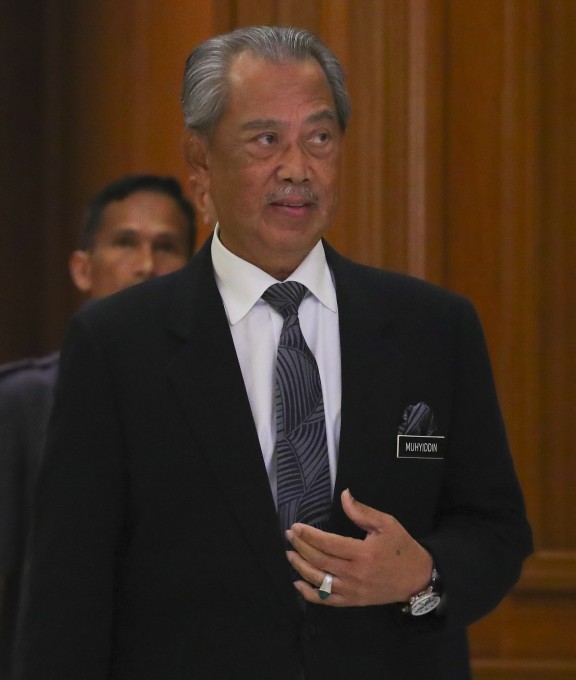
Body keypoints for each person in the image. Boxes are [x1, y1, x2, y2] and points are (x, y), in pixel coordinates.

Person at [14, 25, 532, 680]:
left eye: (319, 139)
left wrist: (424, 576)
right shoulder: (117, 344)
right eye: (266, 140)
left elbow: (496, 528)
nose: (298, 168)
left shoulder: (435, 327)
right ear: (200, 161)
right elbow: (68, 588)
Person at [0, 174, 197, 680]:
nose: (146, 265)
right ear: (83, 268)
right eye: (125, 243)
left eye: (167, 247)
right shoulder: (21, 405)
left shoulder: (218, 406)